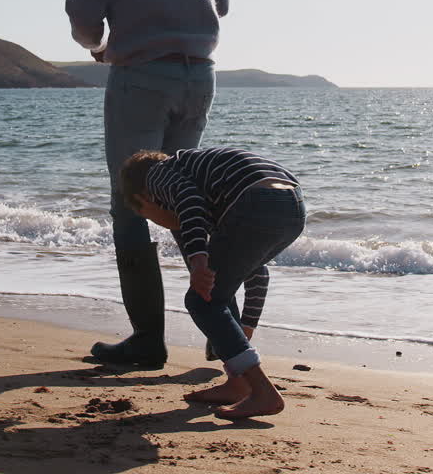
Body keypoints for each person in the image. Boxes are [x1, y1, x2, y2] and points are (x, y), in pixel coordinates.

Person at [65, 0, 230, 369]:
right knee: (186, 201)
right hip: (200, 75)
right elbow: (221, 3)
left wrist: (99, 47)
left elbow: (85, 13)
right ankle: (222, 329)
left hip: (141, 76)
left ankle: (146, 340)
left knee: (131, 203)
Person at [120, 147, 305, 420]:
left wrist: (197, 259)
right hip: (292, 206)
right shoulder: (203, 182)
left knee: (200, 300)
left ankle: (263, 391)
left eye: (149, 217)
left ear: (143, 199)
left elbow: (188, 200)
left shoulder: (157, 175)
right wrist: (245, 329)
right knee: (217, 291)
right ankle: (239, 383)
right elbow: (257, 275)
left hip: (256, 200)